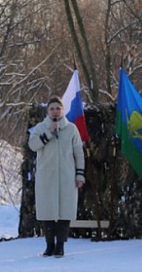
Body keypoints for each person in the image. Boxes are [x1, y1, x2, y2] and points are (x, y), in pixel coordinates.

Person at [28, 97, 86, 257]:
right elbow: (32, 145)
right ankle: (49, 245)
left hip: (67, 176)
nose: (55, 111)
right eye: (52, 108)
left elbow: (78, 153)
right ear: (47, 111)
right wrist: (49, 133)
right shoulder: (40, 128)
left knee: (64, 211)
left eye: (58, 108)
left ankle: (60, 245)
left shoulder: (71, 129)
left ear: (62, 110)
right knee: (48, 211)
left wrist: (80, 174)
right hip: (47, 176)